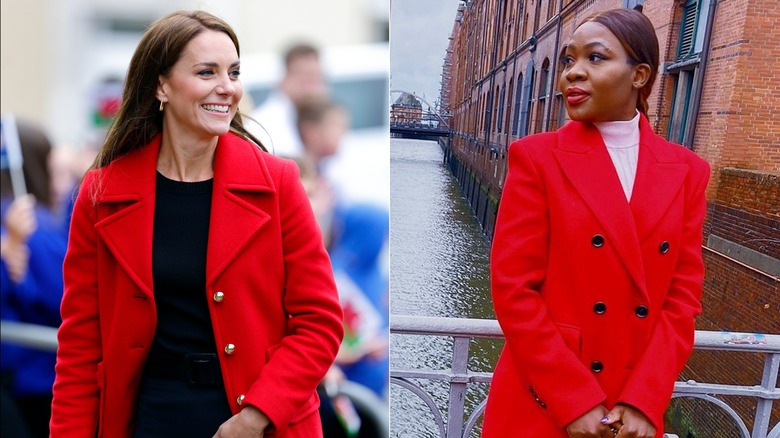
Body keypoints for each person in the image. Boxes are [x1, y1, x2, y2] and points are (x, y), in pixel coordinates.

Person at [49, 10, 344, 438]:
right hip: (150, 419)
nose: (228, 87)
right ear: (161, 86)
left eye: (234, 72)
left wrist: (255, 417)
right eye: (207, 72)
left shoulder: (278, 183)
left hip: (259, 421)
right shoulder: (101, 193)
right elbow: (80, 345)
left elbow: (320, 321)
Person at [481, 8, 710, 438]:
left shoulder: (688, 172)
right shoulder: (536, 158)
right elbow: (513, 289)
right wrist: (573, 399)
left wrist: (646, 401)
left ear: (639, 75)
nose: (572, 72)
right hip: (543, 400)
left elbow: (681, 300)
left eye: (596, 58)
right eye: (569, 59)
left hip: (630, 411)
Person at [1, 118, 68, 438]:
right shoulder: (31, 224)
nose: (61, 184)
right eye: (56, 170)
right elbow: (67, 297)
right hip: (38, 378)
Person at [249, 43, 327, 158]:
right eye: (307, 78)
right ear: (286, 77)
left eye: (318, 78)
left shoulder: (324, 122)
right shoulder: (260, 125)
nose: (314, 88)